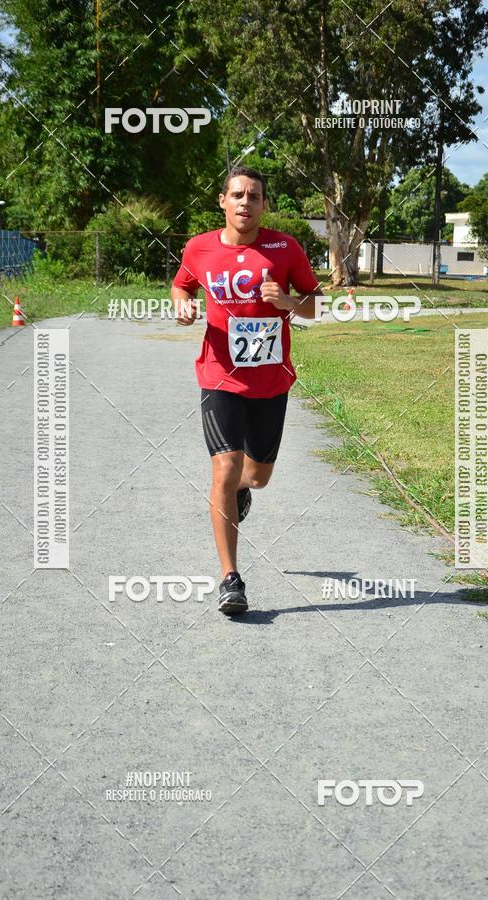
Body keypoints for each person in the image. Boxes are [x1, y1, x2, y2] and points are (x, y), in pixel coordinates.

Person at [171, 166, 322, 615]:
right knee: (224, 467)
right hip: (219, 376)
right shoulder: (199, 247)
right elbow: (181, 284)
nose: (244, 202)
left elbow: (313, 305)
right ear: (222, 201)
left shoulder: (285, 247)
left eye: (254, 196)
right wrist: (183, 305)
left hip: (270, 380)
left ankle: (239, 493)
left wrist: (288, 303)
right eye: (237, 194)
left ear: (264, 205)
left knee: (257, 476)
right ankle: (230, 578)